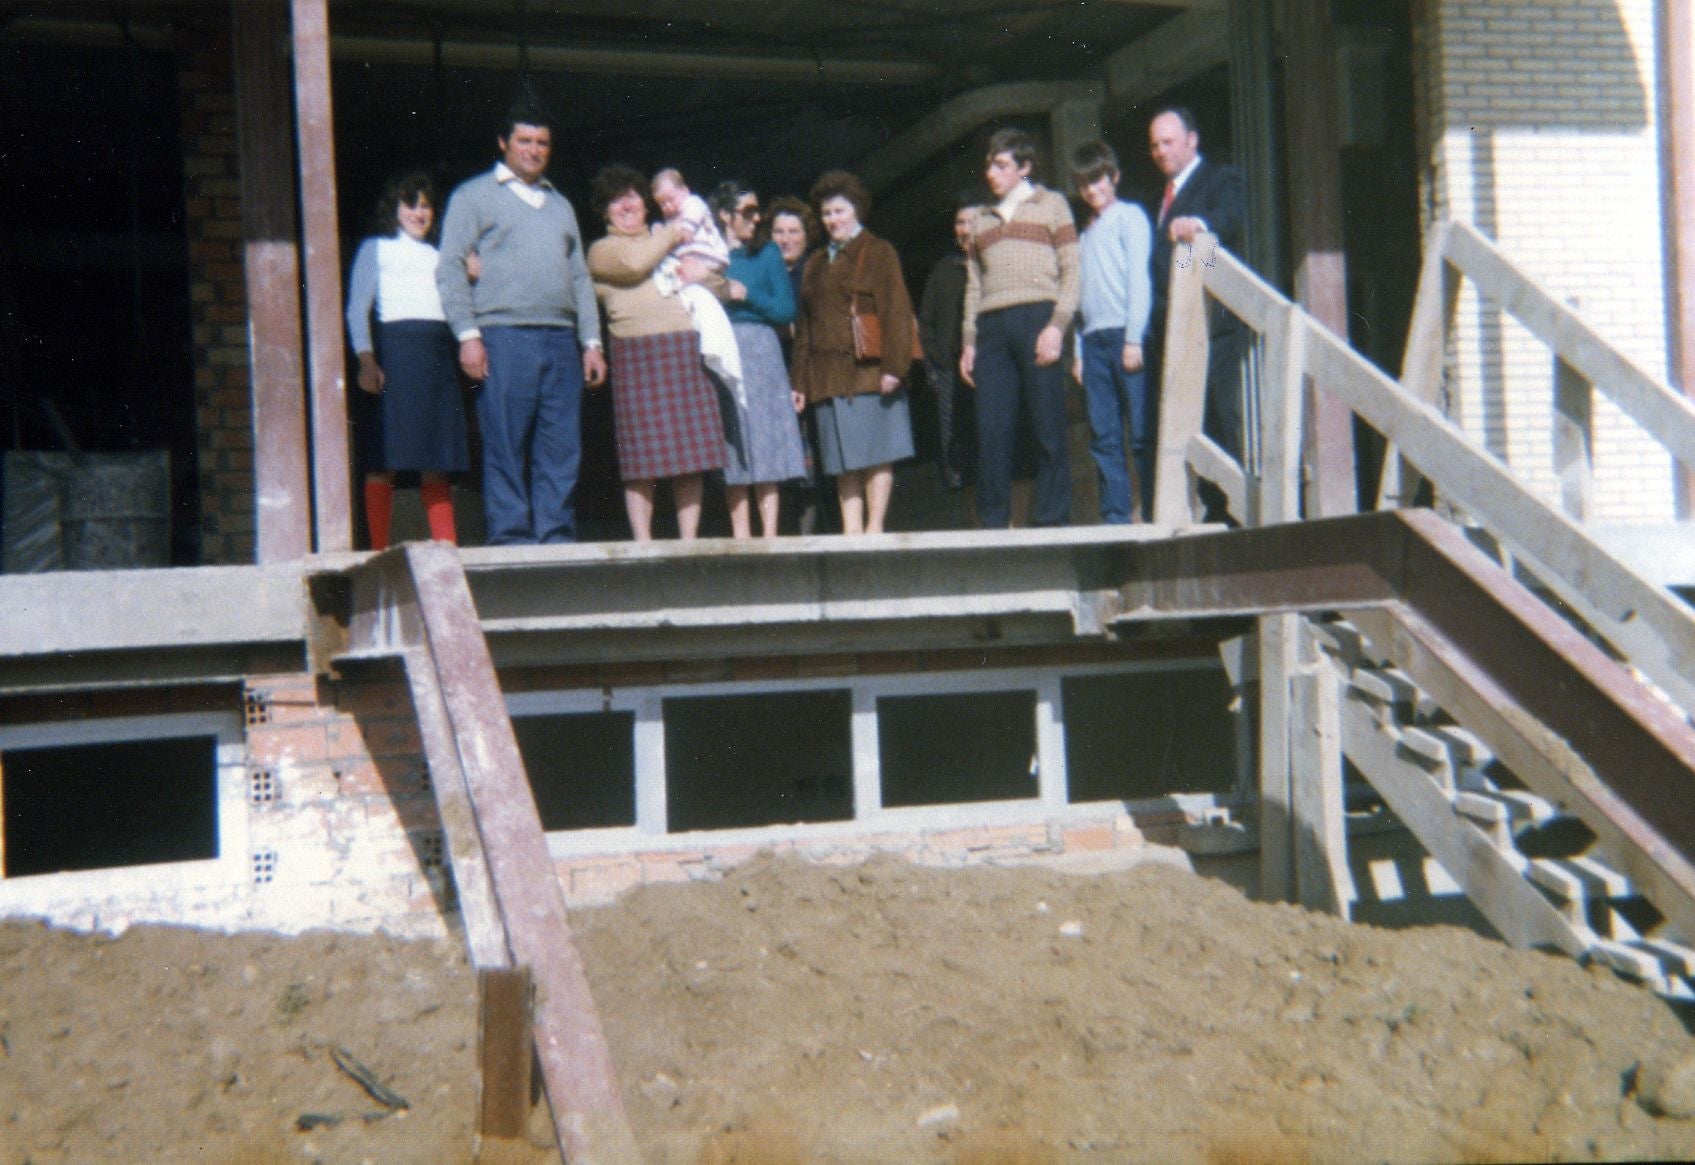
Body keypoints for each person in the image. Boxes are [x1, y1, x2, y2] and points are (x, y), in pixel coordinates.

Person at [435, 96, 606, 545]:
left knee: (561, 445)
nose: (533, 150)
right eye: (524, 140)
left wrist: (592, 342)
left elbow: (580, 278)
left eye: (542, 143)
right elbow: (450, 266)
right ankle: (511, 538)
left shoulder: (560, 205)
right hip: (503, 335)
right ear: (503, 144)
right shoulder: (473, 196)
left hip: (561, 338)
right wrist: (468, 335)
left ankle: (556, 538)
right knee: (506, 442)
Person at [586, 165, 726, 541]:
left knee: (690, 456)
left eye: (633, 195)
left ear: (646, 204)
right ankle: (643, 541)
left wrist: (722, 283)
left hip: (683, 349)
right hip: (637, 354)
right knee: (640, 458)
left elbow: (710, 278)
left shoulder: (668, 240)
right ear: (605, 212)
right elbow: (635, 265)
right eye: (617, 200)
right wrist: (669, 236)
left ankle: (689, 538)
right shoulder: (604, 249)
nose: (627, 204)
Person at [959, 127, 1080, 529]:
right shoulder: (979, 219)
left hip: (1038, 318)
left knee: (1048, 427)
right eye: (989, 165)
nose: (992, 173)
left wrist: (1057, 327)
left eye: (1002, 165)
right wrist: (969, 342)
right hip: (992, 328)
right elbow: (974, 285)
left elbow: (1072, 271)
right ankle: (993, 524)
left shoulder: (1053, 205)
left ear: (1024, 167)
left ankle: (1051, 520)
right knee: (992, 431)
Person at [344, 171, 469, 550]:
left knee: (437, 458)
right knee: (385, 457)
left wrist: (471, 275)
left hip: (436, 355)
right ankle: (379, 548)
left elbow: (459, 304)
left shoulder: (442, 255)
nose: (419, 212)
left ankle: (446, 548)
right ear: (395, 209)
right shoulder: (376, 249)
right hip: (394, 353)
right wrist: (366, 358)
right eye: (410, 204)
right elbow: (356, 309)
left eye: (426, 206)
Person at [791, 170, 917, 535]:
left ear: (857, 210)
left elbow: (896, 310)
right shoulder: (814, 263)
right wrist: (799, 381)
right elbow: (805, 330)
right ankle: (851, 530)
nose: (833, 220)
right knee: (843, 460)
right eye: (827, 213)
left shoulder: (878, 251)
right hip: (827, 379)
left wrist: (895, 366)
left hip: (869, 373)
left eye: (840, 211)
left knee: (877, 455)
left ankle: (874, 527)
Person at [1145, 105, 1247, 523]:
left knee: (1220, 412)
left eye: (1167, 141)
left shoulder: (1221, 178)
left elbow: (1230, 218)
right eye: (1153, 144)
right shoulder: (1162, 198)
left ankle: (1236, 506)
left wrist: (1199, 224)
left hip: (1215, 323)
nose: (1159, 151)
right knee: (1192, 416)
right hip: (1176, 327)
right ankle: (1212, 504)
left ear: (1192, 139)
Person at [710, 181, 808, 539]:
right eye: (747, 212)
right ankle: (741, 534)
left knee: (766, 438)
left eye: (757, 211)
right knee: (734, 439)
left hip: (761, 347)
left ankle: (769, 533)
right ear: (724, 215)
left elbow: (784, 309)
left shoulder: (766, 253)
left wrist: (746, 295)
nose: (756, 219)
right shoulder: (710, 253)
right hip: (723, 348)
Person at [1070, 140, 1154, 525]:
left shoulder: (1130, 217)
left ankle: (1153, 509)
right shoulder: (1083, 237)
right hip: (1093, 343)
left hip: (1125, 336)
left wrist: (1135, 336)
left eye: (1099, 181)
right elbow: (1076, 298)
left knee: (1139, 433)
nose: (1093, 190)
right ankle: (1116, 516)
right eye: (1085, 184)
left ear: (1114, 178)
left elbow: (1140, 278)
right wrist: (1078, 351)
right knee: (1104, 437)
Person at [768, 196, 837, 535]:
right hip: (773, 376)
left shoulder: (817, 269)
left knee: (821, 466)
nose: (785, 239)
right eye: (779, 231)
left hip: (814, 378)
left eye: (793, 231)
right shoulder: (768, 272)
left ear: (807, 235)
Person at [649, 167, 742, 403]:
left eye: (671, 199)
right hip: (690, 263)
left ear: (685, 191)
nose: (668, 206)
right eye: (662, 204)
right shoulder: (671, 218)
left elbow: (694, 212)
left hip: (709, 257)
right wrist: (659, 230)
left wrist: (686, 227)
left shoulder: (693, 204)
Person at [917, 194, 978, 492]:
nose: (964, 229)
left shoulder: (993, 266)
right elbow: (924, 322)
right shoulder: (943, 270)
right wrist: (936, 362)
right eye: (959, 222)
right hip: (949, 372)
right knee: (957, 454)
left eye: (971, 222)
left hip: (987, 367)